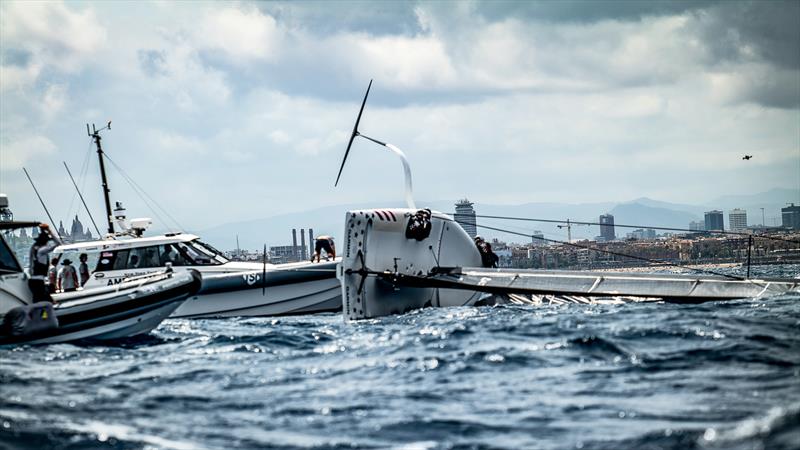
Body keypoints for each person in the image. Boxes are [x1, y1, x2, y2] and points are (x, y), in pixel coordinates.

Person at [28, 224, 62, 302]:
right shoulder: (42, 250)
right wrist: (49, 231)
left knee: (42, 300)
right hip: (38, 282)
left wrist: (44, 231)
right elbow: (58, 243)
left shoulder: (33, 248)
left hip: (34, 281)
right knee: (44, 302)